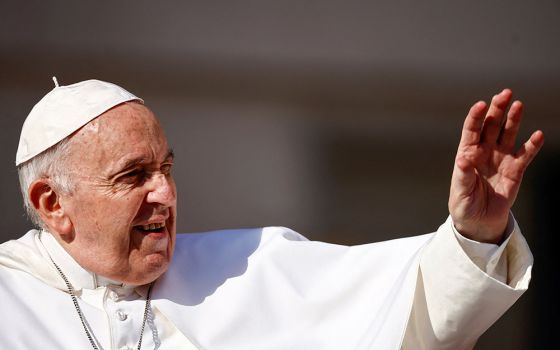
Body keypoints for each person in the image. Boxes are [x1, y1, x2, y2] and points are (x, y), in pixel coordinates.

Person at [0, 78, 544, 350]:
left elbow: (406, 313)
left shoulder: (255, 266)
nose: (165, 194)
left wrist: (474, 231)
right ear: (54, 205)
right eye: (133, 176)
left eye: (167, 169)